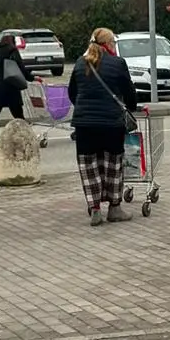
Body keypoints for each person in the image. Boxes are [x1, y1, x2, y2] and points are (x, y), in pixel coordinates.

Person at [68, 27, 138, 225]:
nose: (115, 46)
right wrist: (130, 106)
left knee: (89, 167)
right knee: (113, 166)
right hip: (111, 124)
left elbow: (72, 92)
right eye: (114, 43)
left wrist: (84, 109)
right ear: (107, 45)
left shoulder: (81, 64)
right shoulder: (117, 63)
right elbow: (129, 92)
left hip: (84, 125)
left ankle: (95, 209)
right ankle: (115, 209)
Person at [0, 33, 33, 152]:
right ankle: (28, 138)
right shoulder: (12, 51)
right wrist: (32, 78)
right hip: (10, 88)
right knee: (18, 115)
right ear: (12, 42)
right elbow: (21, 68)